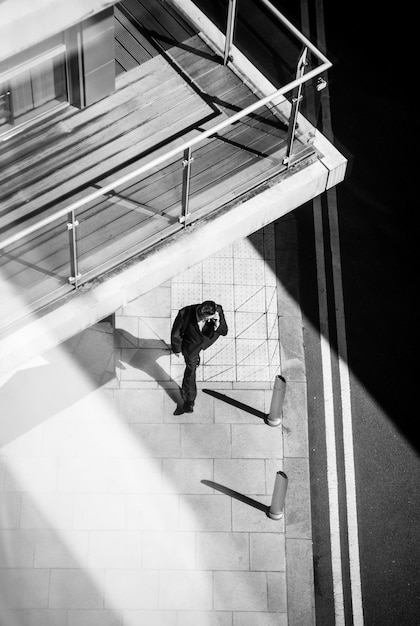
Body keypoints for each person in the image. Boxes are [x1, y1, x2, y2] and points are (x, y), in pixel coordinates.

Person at [171, 300, 228, 413]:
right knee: (190, 370)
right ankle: (189, 400)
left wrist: (217, 325)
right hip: (191, 346)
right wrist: (177, 349)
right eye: (208, 318)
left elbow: (224, 331)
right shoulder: (184, 313)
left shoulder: (218, 310)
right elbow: (175, 333)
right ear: (202, 316)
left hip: (206, 340)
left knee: (193, 362)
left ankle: (196, 356)